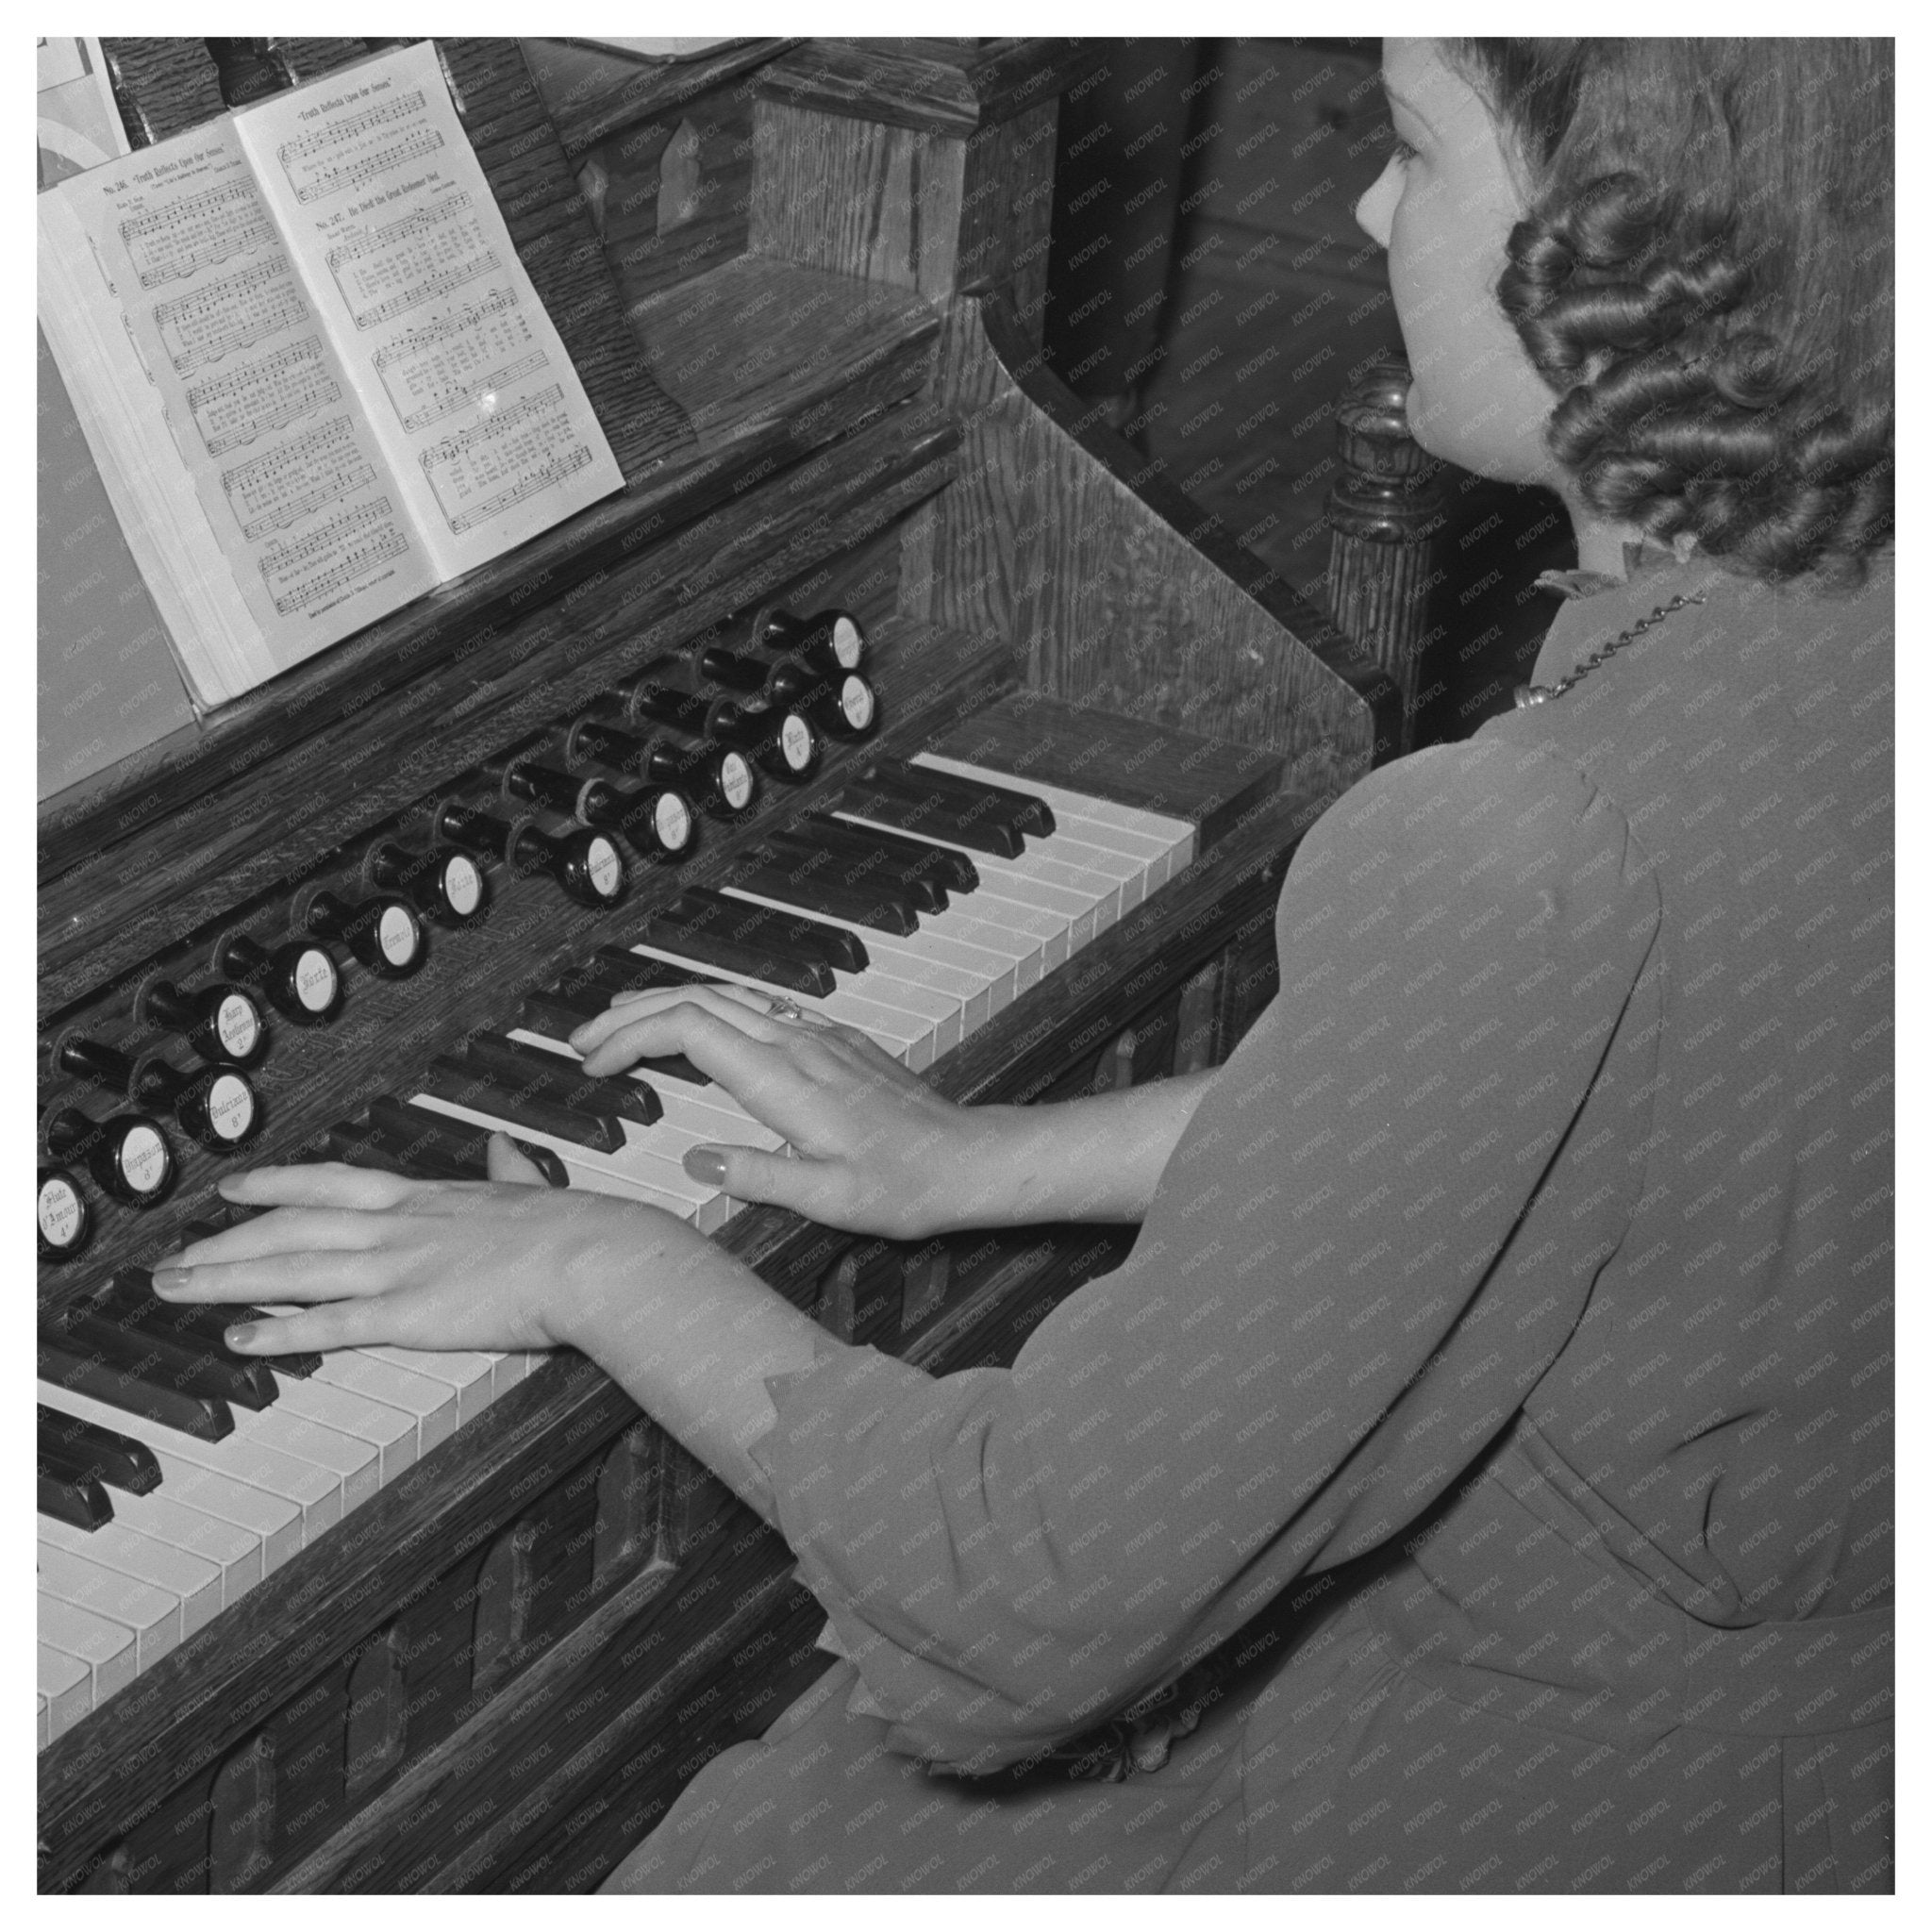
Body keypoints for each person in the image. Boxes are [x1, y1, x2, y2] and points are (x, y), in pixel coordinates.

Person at [158, 37, 1893, 1893]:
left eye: (1412, 150)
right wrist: (979, 1158)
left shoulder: (1522, 847)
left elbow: (1015, 1600)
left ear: (1629, 236)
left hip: (1557, 1794)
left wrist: (598, 1255)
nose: (1368, 208)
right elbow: (1573, 1111)